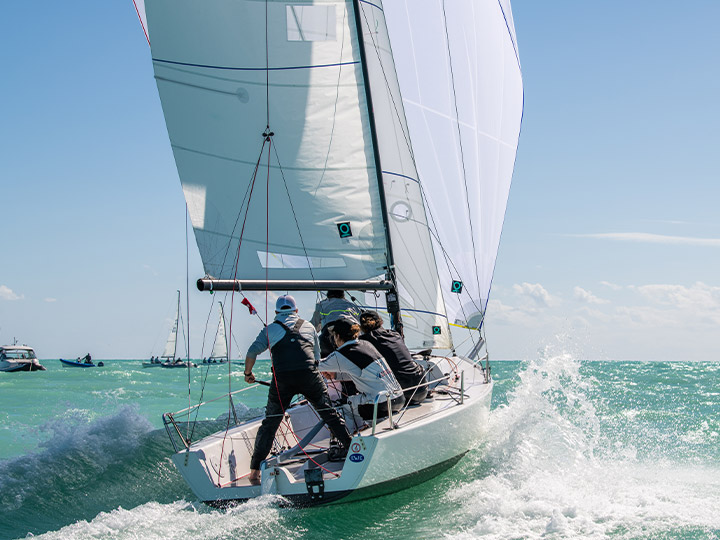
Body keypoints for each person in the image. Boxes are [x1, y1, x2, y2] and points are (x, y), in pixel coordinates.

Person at [244, 294, 352, 485]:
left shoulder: (271, 329)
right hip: (309, 376)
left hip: (282, 380)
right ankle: (352, 451)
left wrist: (248, 373)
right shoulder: (309, 327)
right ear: (296, 311)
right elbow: (317, 358)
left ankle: (254, 472)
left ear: (277, 312)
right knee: (329, 414)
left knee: (270, 424)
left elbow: (252, 351)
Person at [319, 318, 405, 422]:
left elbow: (314, 366)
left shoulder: (342, 353)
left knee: (339, 404)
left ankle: (350, 436)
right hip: (399, 398)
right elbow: (363, 373)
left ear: (337, 336)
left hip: (379, 404)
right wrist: (335, 375)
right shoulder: (366, 344)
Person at [359, 311, 428, 404]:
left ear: (361, 327)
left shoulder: (364, 341)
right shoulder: (394, 334)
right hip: (421, 388)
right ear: (381, 322)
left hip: (401, 392)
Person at [311, 291, 363, 356]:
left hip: (330, 334)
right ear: (343, 295)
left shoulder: (321, 304)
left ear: (328, 295)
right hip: (353, 332)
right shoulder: (353, 306)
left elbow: (314, 326)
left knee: (322, 356)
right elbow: (362, 325)